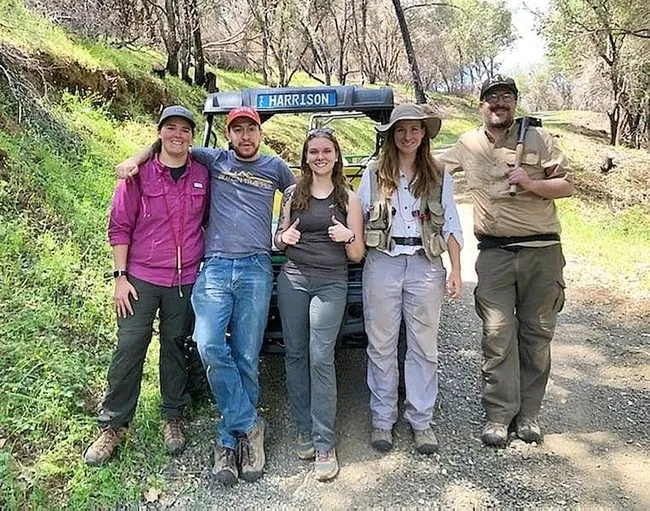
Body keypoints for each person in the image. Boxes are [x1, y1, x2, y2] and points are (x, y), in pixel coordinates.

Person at [115, 106, 296, 485]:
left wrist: (288, 233)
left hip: (257, 267)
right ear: (228, 135)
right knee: (208, 343)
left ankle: (229, 443)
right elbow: (168, 144)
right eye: (238, 130)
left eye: (251, 130)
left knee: (247, 355)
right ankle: (250, 424)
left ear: (260, 134)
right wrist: (135, 158)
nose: (245, 137)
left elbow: (302, 196)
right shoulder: (214, 159)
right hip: (213, 267)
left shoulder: (276, 167)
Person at [436, 75, 574, 447]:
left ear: (514, 103)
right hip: (495, 253)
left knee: (536, 336)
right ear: (480, 104)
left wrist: (531, 183)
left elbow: (566, 185)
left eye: (506, 98)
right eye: (492, 98)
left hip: (541, 252)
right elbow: (430, 168)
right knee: (497, 336)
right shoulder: (468, 144)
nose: (499, 104)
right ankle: (498, 415)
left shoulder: (539, 139)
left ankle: (528, 415)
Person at [85, 106, 209, 466]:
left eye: (185, 130)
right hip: (139, 278)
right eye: (170, 128)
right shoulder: (137, 176)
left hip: (185, 280)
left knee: (175, 347)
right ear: (158, 133)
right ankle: (113, 426)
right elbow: (119, 227)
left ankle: (172, 415)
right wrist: (119, 278)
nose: (178, 135)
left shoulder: (203, 174)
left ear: (192, 136)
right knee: (129, 348)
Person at [358, 103, 463, 455]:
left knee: (423, 346)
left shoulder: (438, 173)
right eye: (401, 130)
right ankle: (382, 420)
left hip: (425, 264)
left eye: (415, 129)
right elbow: (357, 217)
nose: (408, 136)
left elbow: (450, 224)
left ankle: (421, 420)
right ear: (392, 134)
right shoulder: (374, 173)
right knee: (381, 344)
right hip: (382, 263)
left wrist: (457, 271)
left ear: (424, 134)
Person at [274, 128, 365, 481]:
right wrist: (285, 237)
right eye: (313, 151)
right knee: (295, 353)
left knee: (321, 356)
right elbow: (279, 239)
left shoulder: (348, 199)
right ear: (305, 157)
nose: (320, 157)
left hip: (331, 282)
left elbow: (357, 254)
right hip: (293, 279)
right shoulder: (293, 193)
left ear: (337, 156)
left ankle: (325, 441)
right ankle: (304, 429)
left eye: (327, 151)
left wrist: (348, 236)